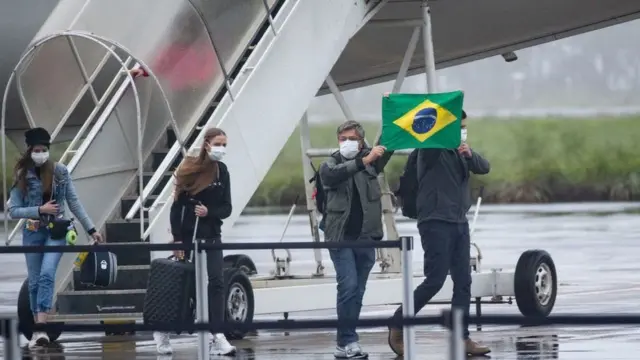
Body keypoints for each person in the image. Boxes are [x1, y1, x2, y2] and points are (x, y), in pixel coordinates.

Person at [387, 111, 492, 356]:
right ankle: (398, 322)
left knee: (464, 282)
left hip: (458, 222)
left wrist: (468, 152)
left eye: (465, 127)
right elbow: (429, 142)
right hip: (435, 221)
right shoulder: (429, 150)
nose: (463, 131)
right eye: (459, 127)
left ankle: (461, 338)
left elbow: (484, 167)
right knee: (435, 280)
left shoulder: (460, 151)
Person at [8, 127, 103, 349]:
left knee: (47, 274)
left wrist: (91, 229)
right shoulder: (22, 175)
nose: (41, 153)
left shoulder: (60, 172)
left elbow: (74, 201)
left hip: (56, 232)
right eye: (37, 150)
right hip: (32, 232)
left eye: (44, 149)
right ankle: (34, 329)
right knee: (33, 282)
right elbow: (14, 211)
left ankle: (41, 326)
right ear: (30, 150)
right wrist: (39, 209)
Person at [152, 127, 235, 356]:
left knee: (217, 281)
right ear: (207, 144)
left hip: (212, 234)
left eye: (225, 145)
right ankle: (163, 330)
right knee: (184, 284)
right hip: (189, 235)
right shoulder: (189, 169)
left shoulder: (222, 171)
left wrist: (209, 212)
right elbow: (176, 206)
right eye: (218, 143)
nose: (222, 149)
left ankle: (217, 334)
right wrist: (177, 239)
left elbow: (227, 208)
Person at [319, 120, 393, 359]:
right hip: (339, 237)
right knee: (348, 286)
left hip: (366, 236)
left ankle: (345, 341)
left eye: (352, 139)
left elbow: (389, 142)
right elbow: (331, 176)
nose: (347, 143)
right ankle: (348, 341)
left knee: (357, 290)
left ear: (362, 141)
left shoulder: (373, 162)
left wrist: (390, 108)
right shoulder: (331, 164)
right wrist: (364, 160)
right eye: (343, 139)